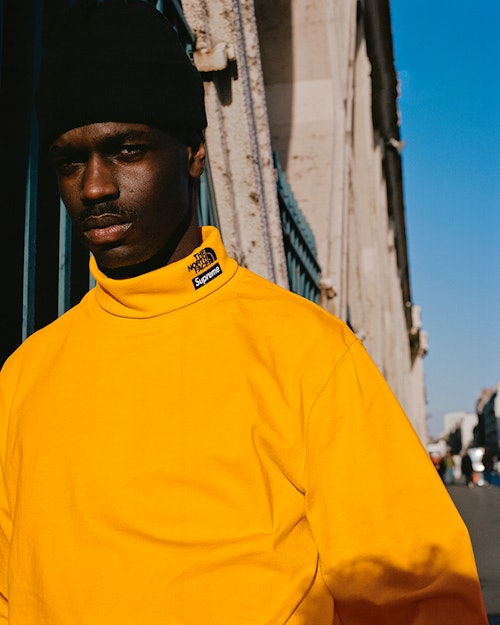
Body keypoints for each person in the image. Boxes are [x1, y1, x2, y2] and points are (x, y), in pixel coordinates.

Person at [0, 2, 488, 623]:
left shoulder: (307, 353)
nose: (94, 187)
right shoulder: (25, 376)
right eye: (70, 162)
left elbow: (423, 597)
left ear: (194, 153)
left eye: (127, 150)